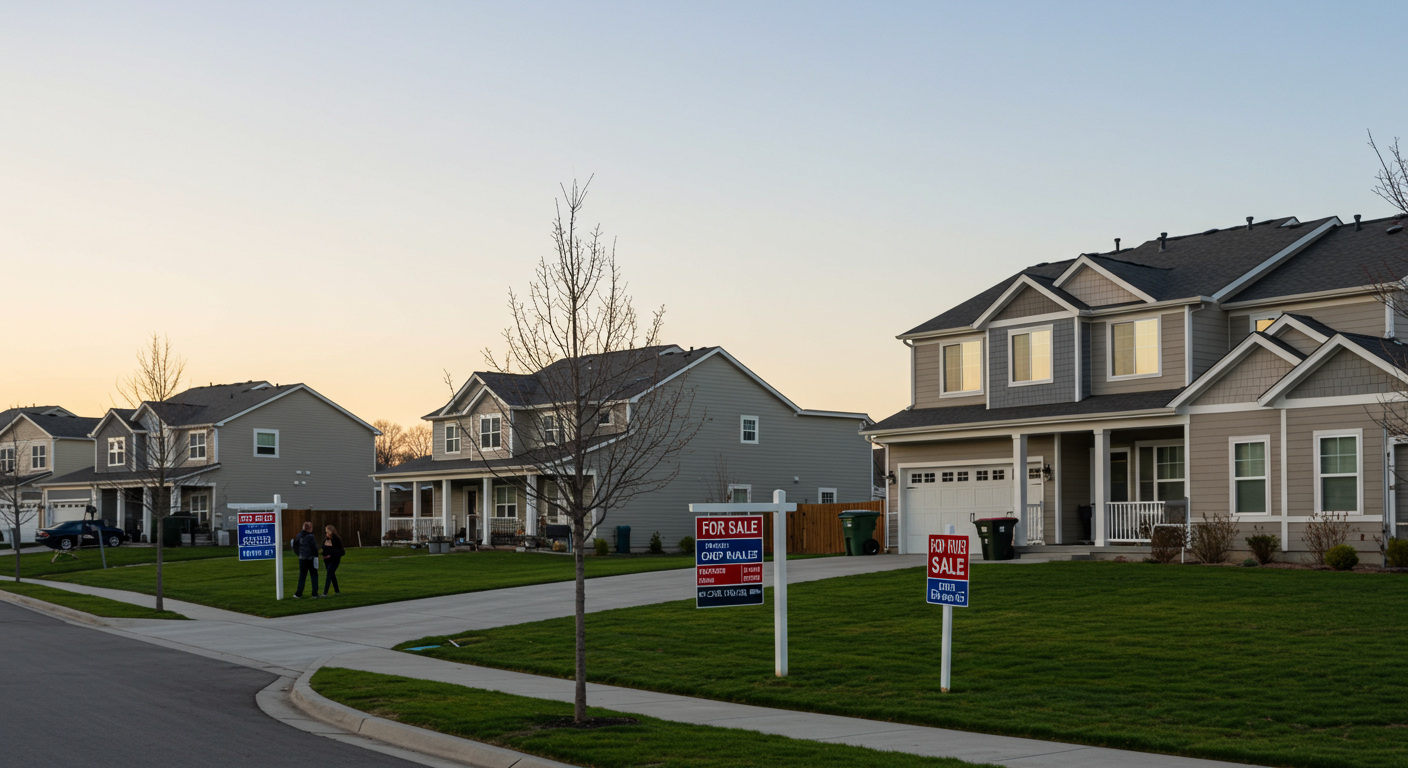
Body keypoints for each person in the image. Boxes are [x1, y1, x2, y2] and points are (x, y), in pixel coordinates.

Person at [291, 521, 320, 599]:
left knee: (302, 576)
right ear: (310, 528)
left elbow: (296, 546)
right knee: (314, 576)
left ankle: (298, 594)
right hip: (310, 558)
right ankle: (314, 594)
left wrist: (299, 554)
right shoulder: (310, 537)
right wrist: (316, 555)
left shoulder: (299, 536)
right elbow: (314, 547)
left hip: (302, 558)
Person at [322, 524, 345, 597]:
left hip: (334, 560)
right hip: (327, 560)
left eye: (328, 531)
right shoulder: (326, 539)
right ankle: (337, 590)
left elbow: (341, 551)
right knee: (332, 575)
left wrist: (331, 554)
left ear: (332, 531)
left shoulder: (336, 539)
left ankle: (325, 593)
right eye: (326, 531)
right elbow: (323, 548)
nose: (327, 533)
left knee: (329, 574)